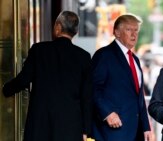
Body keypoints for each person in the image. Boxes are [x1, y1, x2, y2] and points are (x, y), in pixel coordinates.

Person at [2, 11, 92, 141]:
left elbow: (23, 80)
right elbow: (87, 96)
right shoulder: (84, 57)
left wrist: (5, 89)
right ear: (76, 32)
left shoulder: (39, 50)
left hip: (40, 123)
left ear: (58, 27)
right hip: (71, 126)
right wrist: (85, 130)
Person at [91, 13, 151, 141]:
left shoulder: (135, 59)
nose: (133, 34)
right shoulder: (104, 55)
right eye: (129, 30)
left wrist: (146, 126)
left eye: (136, 30)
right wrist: (107, 113)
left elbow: (139, 96)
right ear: (117, 32)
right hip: (112, 131)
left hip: (136, 132)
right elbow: (93, 89)